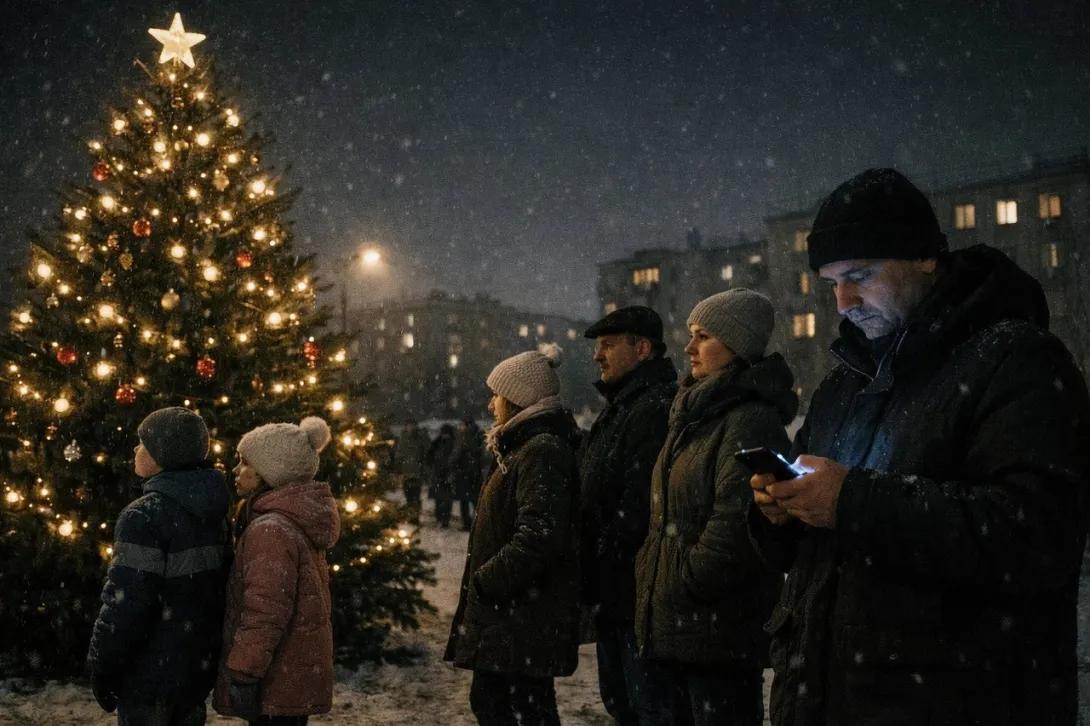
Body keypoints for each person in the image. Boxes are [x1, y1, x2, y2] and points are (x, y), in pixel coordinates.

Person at [749, 168, 1090, 726]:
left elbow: (1034, 536)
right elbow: (816, 553)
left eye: (860, 275)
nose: (843, 302)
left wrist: (850, 501)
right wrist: (778, 512)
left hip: (951, 703)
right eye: (831, 283)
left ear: (925, 258)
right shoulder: (845, 384)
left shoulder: (1017, 362)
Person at [635, 289, 795, 726]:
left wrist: (683, 583)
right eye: (691, 334)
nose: (689, 347)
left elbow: (736, 525)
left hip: (717, 634)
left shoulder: (748, 419)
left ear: (737, 346)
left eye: (703, 336)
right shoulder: (697, 413)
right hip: (684, 628)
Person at [445, 344, 581, 726]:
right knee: (504, 705)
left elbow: (539, 534)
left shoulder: (540, 450)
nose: (491, 404)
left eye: (497, 395)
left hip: (520, 617)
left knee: (515, 709)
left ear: (518, 398)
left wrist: (488, 581)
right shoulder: (521, 447)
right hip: (513, 617)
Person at [87, 407, 229, 726]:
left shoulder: (144, 516)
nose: (135, 449)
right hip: (194, 667)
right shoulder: (212, 511)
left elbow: (127, 601)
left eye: (142, 443)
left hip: (148, 673)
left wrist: (103, 662)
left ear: (162, 454)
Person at [577, 306, 678, 725]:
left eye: (608, 345)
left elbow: (640, 506)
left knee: (646, 708)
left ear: (642, 349)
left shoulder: (652, 408)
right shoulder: (621, 406)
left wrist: (604, 551)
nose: (597, 355)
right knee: (623, 705)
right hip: (615, 594)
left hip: (633, 597)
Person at [213, 417, 340, 726]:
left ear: (270, 473)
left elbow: (265, 611)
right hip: (289, 676)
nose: (235, 470)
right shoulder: (287, 520)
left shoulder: (271, 530)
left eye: (246, 463)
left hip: (274, 679)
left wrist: (244, 672)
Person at [451, 417, 485, 531]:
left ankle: (467, 524)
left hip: (464, 473)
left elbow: (457, 455)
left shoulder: (464, 437)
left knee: (465, 501)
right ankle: (478, 524)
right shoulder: (479, 435)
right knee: (475, 501)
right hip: (475, 473)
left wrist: (453, 464)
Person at [393, 419, 429, 518]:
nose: (410, 428)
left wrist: (424, 470)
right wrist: (398, 468)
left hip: (417, 472)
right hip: (406, 472)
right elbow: (399, 455)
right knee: (408, 496)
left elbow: (424, 455)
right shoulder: (403, 439)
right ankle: (410, 516)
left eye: (412, 426)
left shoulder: (420, 439)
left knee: (416, 496)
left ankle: (415, 517)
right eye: (408, 426)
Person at [427, 423, 457, 528]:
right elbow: (429, 458)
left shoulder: (452, 443)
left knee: (446, 499)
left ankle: (445, 519)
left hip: (447, 474)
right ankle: (440, 518)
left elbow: (454, 459)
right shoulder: (437, 443)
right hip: (438, 474)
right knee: (439, 499)